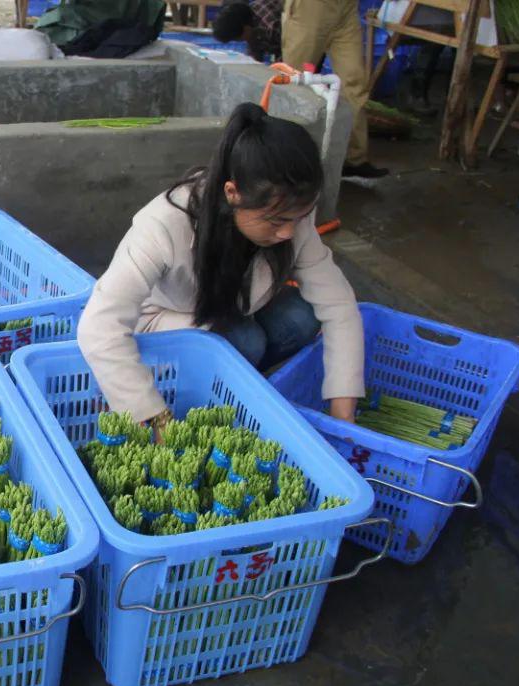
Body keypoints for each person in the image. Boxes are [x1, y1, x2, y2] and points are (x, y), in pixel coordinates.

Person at [77, 103, 364, 437]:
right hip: (163, 319)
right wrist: (155, 418)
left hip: (232, 309)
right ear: (233, 193)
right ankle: (201, 397)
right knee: (244, 341)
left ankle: (235, 388)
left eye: (299, 217)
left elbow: (339, 305)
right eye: (277, 220)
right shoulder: (163, 226)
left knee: (300, 316)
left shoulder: (292, 219)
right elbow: (99, 327)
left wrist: (344, 418)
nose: (289, 232)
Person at [281, 0, 388, 181]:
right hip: (311, 9)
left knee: (354, 80)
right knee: (295, 82)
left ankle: (354, 158)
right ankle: (283, 158)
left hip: (346, 8)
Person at [212, 0, 283, 62]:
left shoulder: (272, 26)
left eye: (239, 39)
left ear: (246, 28)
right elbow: (254, 48)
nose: (243, 41)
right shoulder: (248, 16)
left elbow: (289, 53)